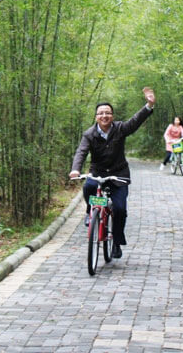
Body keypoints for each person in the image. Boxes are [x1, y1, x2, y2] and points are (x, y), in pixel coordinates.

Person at [69, 87, 155, 259]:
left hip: (118, 175)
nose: (104, 116)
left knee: (120, 209)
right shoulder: (89, 134)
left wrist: (149, 105)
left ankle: (116, 241)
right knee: (88, 188)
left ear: (112, 116)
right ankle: (90, 211)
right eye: (101, 113)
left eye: (107, 113)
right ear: (96, 117)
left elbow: (135, 121)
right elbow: (81, 151)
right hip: (98, 173)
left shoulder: (120, 128)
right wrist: (75, 169)